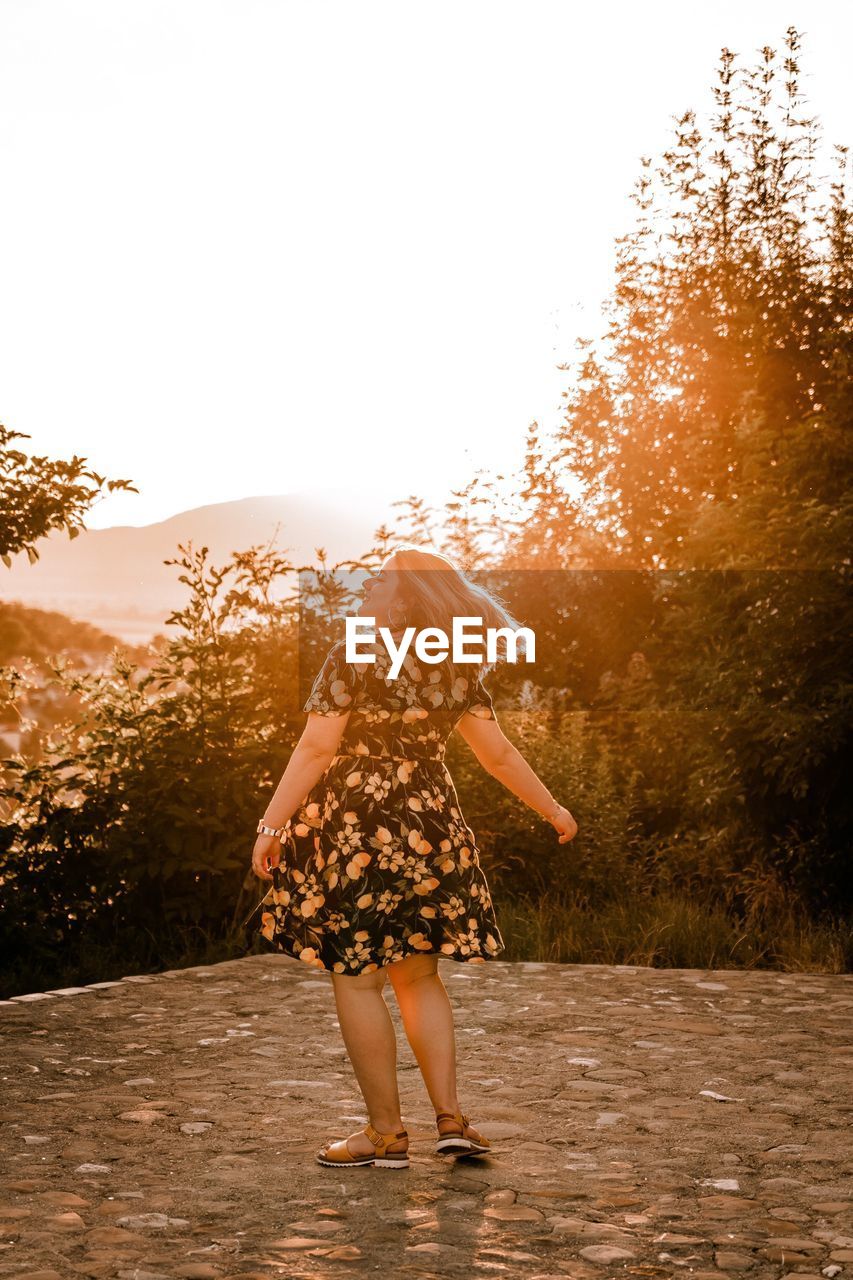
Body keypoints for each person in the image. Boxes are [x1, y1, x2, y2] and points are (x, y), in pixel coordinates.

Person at [250, 545, 578, 1170]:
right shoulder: (453, 661)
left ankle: (384, 1135)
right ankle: (451, 1120)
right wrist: (553, 810)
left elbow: (318, 747)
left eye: (379, 581)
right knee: (420, 976)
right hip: (429, 819)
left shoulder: (353, 650)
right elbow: (498, 755)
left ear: (404, 596)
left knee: (357, 975)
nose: (367, 588)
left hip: (356, 824)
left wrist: (271, 823)